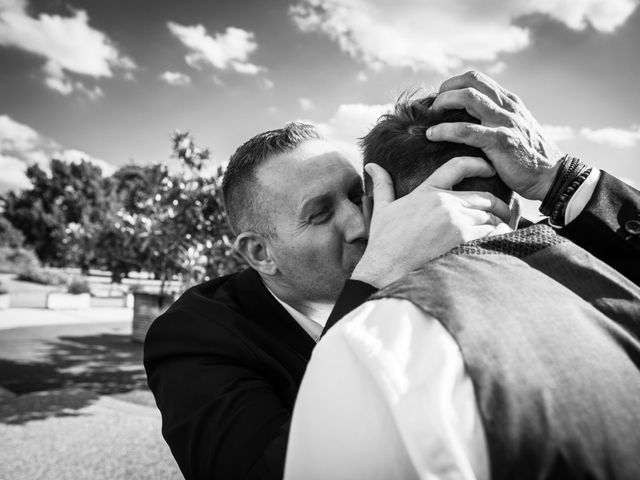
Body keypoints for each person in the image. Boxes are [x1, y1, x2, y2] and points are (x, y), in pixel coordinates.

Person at [144, 71, 640, 480]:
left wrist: (557, 179)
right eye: (319, 214)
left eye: (358, 192)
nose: (362, 223)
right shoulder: (193, 337)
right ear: (260, 252)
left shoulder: (469, 243)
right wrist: (376, 278)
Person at [284, 90, 640, 480]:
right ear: (515, 204)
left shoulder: (372, 346)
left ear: (372, 208)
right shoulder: (617, 279)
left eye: (356, 200)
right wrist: (560, 178)